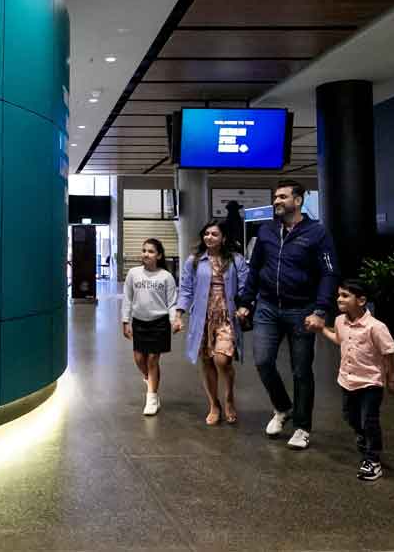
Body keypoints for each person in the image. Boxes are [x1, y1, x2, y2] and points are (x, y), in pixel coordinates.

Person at [235, 180, 339, 450]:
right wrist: (246, 301)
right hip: (268, 307)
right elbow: (255, 269)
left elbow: (329, 273)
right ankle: (282, 407)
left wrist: (320, 310)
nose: (276, 201)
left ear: (299, 200)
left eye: (282, 197)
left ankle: (302, 427)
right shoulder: (267, 231)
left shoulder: (317, 233)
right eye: (275, 197)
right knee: (263, 360)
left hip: (302, 309)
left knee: (301, 370)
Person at [306, 280, 394, 481]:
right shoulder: (341, 321)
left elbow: (389, 352)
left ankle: (373, 459)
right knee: (350, 416)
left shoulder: (375, 327)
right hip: (347, 380)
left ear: (361, 300)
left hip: (370, 382)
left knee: (369, 419)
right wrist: (322, 330)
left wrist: (392, 378)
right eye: (339, 295)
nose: (339, 299)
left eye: (345, 295)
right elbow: (339, 340)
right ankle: (363, 436)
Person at [175, 220, 249, 425]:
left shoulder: (236, 260)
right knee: (207, 360)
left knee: (222, 360)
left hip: (227, 317)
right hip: (202, 318)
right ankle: (214, 404)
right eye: (206, 233)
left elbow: (245, 287)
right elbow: (186, 289)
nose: (209, 237)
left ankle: (229, 397)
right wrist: (179, 314)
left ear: (223, 238)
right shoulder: (195, 261)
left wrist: (245, 306)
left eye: (214, 234)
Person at [122, 238, 181, 416]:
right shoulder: (133, 273)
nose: (146, 254)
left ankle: (152, 398)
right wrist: (126, 321)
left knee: (153, 359)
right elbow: (127, 298)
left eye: (151, 251)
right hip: (139, 322)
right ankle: (149, 379)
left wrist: (174, 320)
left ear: (159, 255)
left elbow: (172, 303)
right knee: (140, 359)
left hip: (159, 323)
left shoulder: (166, 276)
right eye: (144, 250)